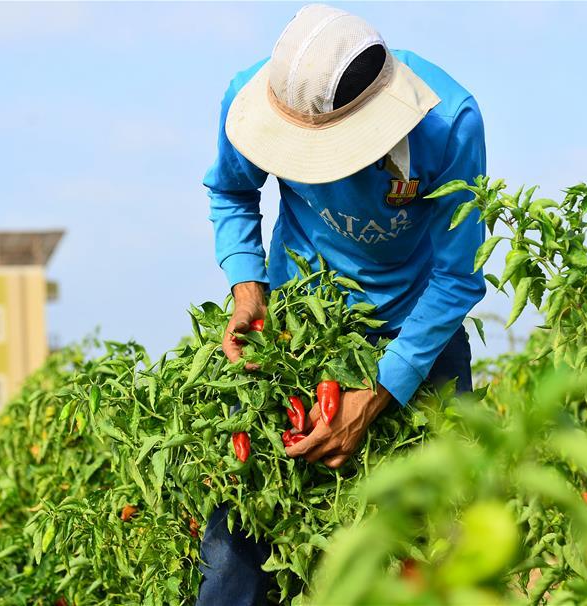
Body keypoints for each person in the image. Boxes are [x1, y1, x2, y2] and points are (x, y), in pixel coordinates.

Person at [198, 4, 486, 604]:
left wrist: (379, 392)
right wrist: (248, 286)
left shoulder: (447, 124)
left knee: (438, 544)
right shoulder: (253, 97)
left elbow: (456, 277)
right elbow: (231, 190)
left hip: (418, 331)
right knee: (238, 551)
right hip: (299, 330)